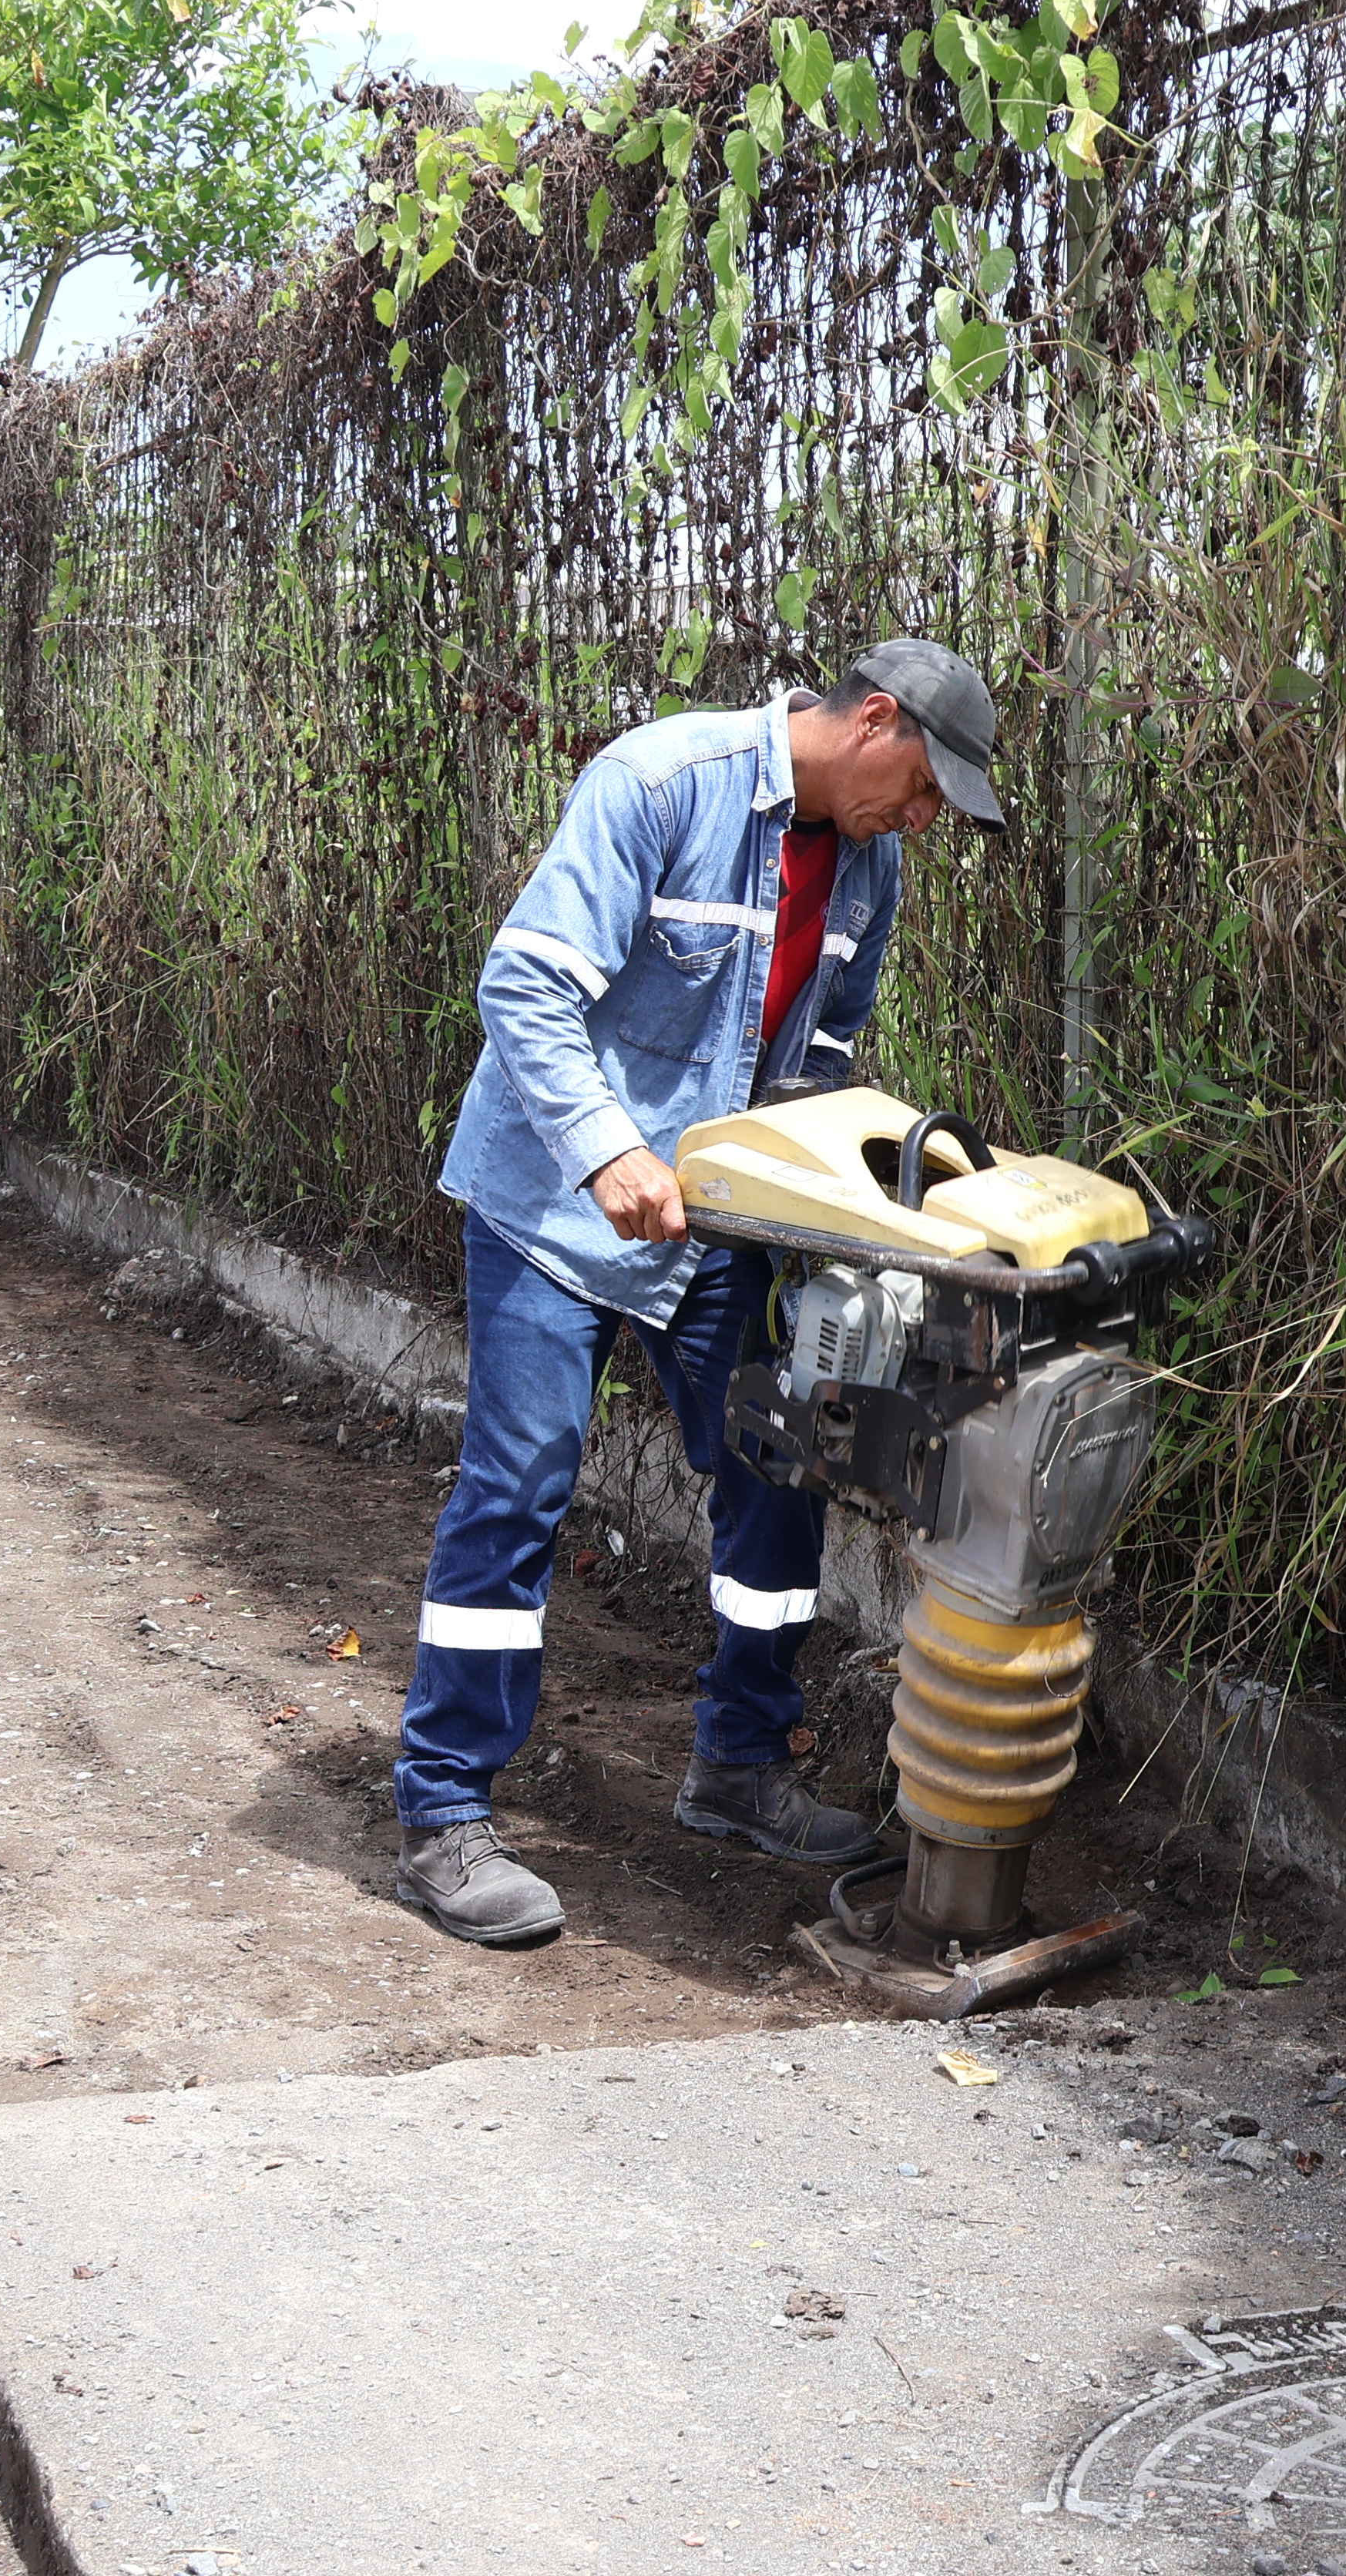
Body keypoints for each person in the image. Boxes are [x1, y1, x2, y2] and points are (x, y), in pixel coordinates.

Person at [388, 637, 1004, 1946]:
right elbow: (526, 983)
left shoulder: (870, 867)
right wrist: (608, 1149)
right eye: (925, 785)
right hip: (556, 1200)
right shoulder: (664, 780)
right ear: (874, 720)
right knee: (520, 1483)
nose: (923, 818)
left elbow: (817, 1060)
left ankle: (738, 1763)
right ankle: (444, 1810)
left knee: (779, 1468)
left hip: (715, 1223)